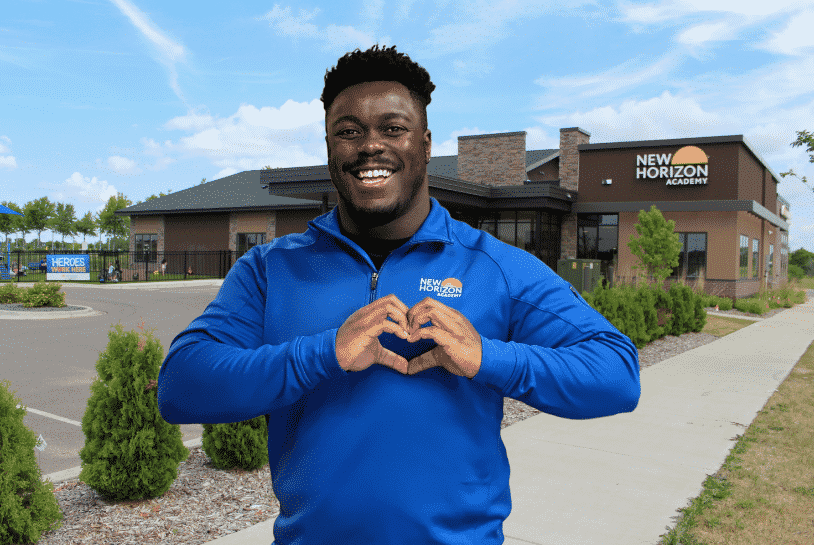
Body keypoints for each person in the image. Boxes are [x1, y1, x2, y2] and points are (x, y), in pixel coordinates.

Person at [157, 45, 640, 544]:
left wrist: (487, 357)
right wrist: (322, 353)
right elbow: (181, 386)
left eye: (393, 128)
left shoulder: (492, 266)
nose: (370, 146)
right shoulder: (270, 269)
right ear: (329, 147)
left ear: (425, 145)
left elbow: (617, 374)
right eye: (348, 131)